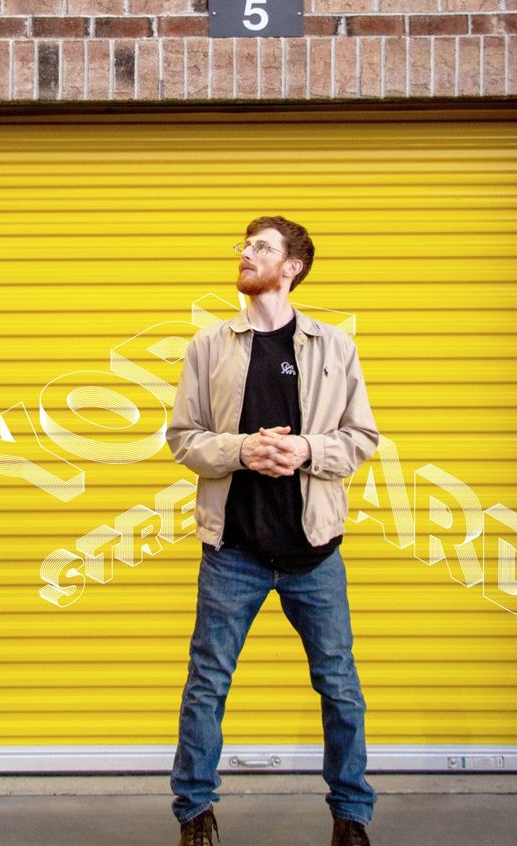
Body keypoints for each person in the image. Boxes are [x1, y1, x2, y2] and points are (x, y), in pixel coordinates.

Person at [166, 215, 380, 846]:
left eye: (261, 247)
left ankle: (352, 816)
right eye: (245, 245)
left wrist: (306, 451)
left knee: (339, 685)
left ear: (292, 268)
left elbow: (362, 437)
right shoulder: (209, 346)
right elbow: (183, 439)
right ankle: (194, 813)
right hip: (233, 551)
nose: (245, 253)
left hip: (314, 552)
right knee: (207, 683)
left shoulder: (334, 346)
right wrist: (242, 452)